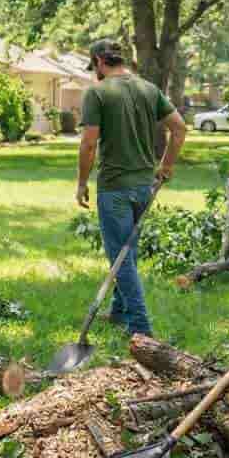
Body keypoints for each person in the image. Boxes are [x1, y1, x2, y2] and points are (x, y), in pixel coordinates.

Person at [76, 38, 188, 337]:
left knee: (120, 257)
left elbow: (88, 144)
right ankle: (119, 312)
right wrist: (165, 166)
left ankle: (141, 328)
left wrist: (81, 183)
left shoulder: (97, 93)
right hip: (143, 188)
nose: (94, 71)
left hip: (114, 188)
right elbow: (179, 128)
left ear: (100, 60)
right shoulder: (148, 89)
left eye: (94, 66)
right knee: (128, 251)